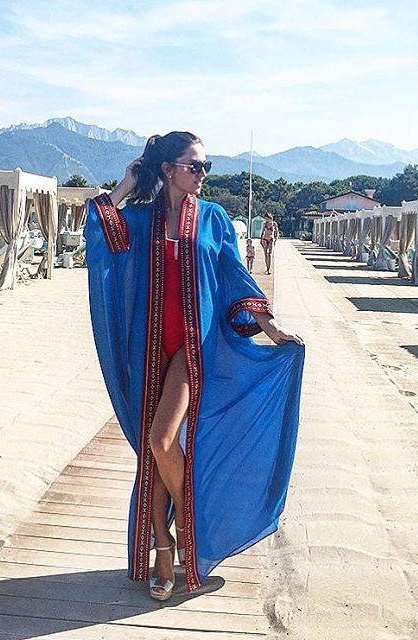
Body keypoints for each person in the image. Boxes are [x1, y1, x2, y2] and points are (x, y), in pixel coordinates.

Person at [84, 131, 305, 602]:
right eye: (194, 166)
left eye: (206, 166)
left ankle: (188, 531)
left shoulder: (213, 218)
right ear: (168, 170)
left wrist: (271, 329)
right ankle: (165, 552)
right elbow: (100, 230)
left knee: (162, 440)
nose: (203, 174)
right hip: (146, 349)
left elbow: (234, 275)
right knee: (152, 456)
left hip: (194, 348)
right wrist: (126, 183)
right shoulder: (140, 218)